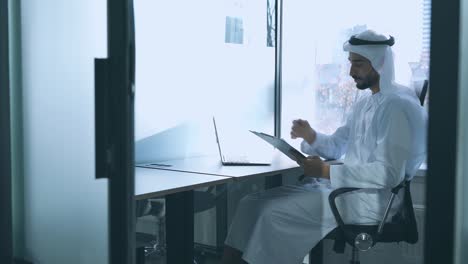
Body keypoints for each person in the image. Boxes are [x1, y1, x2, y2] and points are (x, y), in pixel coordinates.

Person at [221, 29, 427, 264]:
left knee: (272, 214)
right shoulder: (366, 103)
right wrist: (311, 136)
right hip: (345, 190)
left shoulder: (397, 107)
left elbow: (389, 174)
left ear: (379, 64)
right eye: (351, 63)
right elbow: (337, 146)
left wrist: (326, 171)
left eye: (358, 64)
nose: (351, 72)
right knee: (251, 204)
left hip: (372, 201)